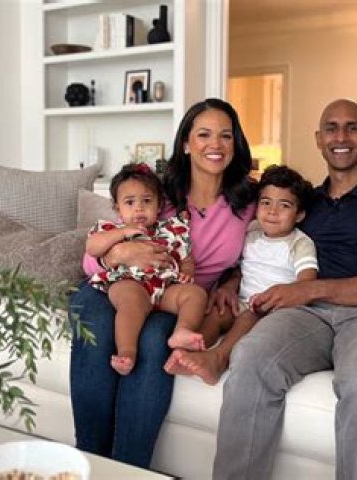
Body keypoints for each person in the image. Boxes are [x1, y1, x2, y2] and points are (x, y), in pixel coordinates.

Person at [213, 98, 357, 480]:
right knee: (249, 358)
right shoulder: (304, 202)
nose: (340, 136)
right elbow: (263, 245)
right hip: (306, 317)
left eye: (351, 127)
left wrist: (311, 290)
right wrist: (232, 282)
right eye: (331, 128)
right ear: (318, 138)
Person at [69, 98, 256, 468]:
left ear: (235, 144)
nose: (215, 144)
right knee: (96, 323)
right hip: (114, 283)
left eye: (225, 136)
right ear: (186, 143)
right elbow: (91, 259)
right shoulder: (157, 192)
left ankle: (128, 471)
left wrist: (231, 282)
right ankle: (90, 462)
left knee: (155, 340)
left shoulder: (248, 200)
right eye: (203, 135)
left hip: (174, 292)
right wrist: (118, 254)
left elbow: (258, 253)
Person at [164, 165, 318, 385]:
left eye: (284, 205)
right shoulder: (252, 232)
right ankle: (189, 351)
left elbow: (307, 283)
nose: (272, 211)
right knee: (216, 313)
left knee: (247, 317)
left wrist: (277, 297)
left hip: (275, 308)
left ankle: (218, 359)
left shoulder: (299, 243)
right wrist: (228, 287)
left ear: (299, 214)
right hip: (243, 300)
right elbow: (239, 267)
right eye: (266, 202)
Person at [86, 162, 206, 376]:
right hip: (129, 282)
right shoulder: (111, 229)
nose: (139, 208)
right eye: (130, 202)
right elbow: (92, 247)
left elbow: (187, 256)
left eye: (147, 201)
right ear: (117, 208)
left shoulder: (172, 230)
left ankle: (182, 331)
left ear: (159, 206)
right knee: (131, 303)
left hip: (165, 288)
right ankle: (127, 351)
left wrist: (187, 272)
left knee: (196, 294)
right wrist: (123, 233)